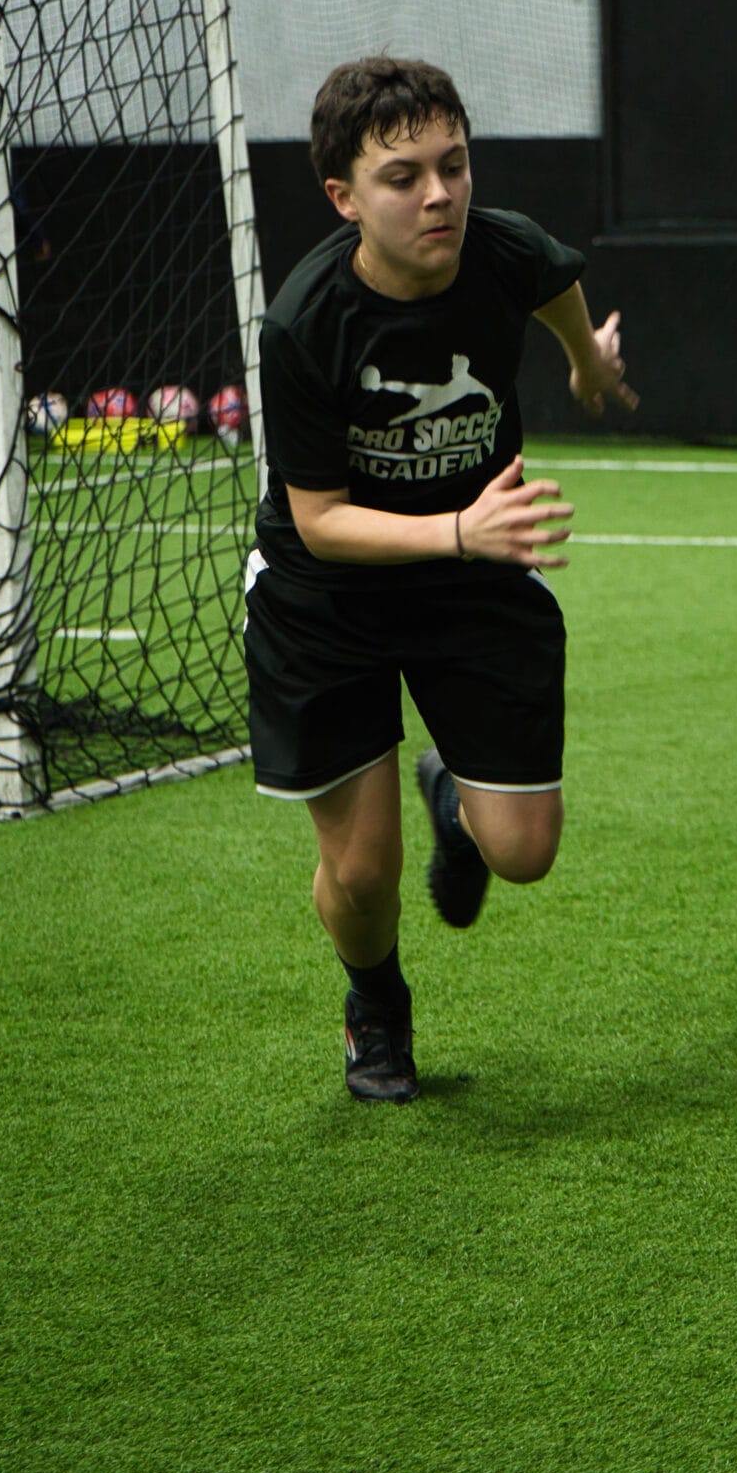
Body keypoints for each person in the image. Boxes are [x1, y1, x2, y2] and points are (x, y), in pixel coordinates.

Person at [247, 55, 636, 1103]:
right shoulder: (304, 322)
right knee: (364, 872)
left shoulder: (501, 251)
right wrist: (461, 527)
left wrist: (584, 364)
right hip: (328, 597)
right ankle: (374, 1004)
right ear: (343, 197)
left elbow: (555, 284)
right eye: (403, 175)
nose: (439, 194)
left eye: (454, 165)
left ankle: (456, 798)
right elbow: (321, 522)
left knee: (524, 851)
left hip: (474, 567)